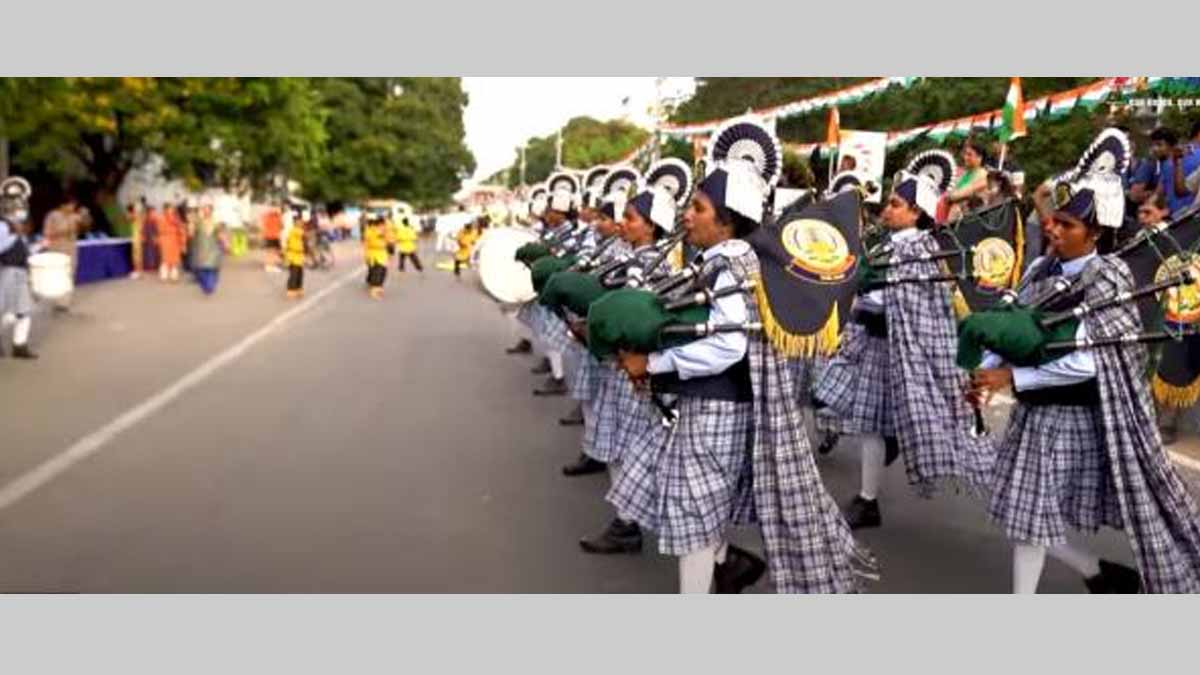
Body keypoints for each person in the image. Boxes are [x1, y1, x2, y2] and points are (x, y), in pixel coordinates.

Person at [969, 185, 1200, 593]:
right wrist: (985, 370)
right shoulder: (1040, 268)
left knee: (1029, 520)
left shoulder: (1109, 277)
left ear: (1095, 234)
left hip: (1070, 415)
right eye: (1054, 220)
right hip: (1032, 412)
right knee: (1028, 516)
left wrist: (1013, 379)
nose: (1053, 228)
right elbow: (1011, 325)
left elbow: (1091, 360)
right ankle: (1097, 572)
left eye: (1067, 224)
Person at [813, 166, 995, 531]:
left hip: (895, 348)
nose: (887, 210)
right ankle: (875, 474)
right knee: (848, 409)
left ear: (916, 212)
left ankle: (868, 500)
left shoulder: (919, 251)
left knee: (869, 425)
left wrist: (859, 290)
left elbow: (902, 303)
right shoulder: (890, 244)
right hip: (871, 342)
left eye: (896, 205)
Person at [0, 177, 38, 359]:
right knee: (5, 312)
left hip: (21, 271)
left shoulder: (19, 227)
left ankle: (19, 345)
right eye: (13, 201)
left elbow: (25, 249)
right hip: (5, 271)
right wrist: (14, 234)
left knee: (24, 310)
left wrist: (39, 246)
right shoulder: (3, 225)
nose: (18, 206)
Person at [42, 195, 88, 311]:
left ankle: (64, 302)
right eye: (71, 205)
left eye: (74, 205)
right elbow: (47, 233)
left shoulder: (74, 216)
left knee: (70, 273)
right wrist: (63, 231)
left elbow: (85, 227)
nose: (73, 207)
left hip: (70, 248)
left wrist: (85, 216)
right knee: (58, 274)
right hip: (57, 248)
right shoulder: (52, 216)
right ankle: (58, 300)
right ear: (63, 205)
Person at [944, 138, 990, 220]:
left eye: (969, 155)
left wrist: (950, 196)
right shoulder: (964, 174)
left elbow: (963, 193)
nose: (965, 157)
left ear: (979, 158)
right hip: (954, 217)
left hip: (970, 219)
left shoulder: (983, 174)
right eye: (965, 154)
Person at [190, 203, 229, 296]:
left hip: (213, 249)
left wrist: (226, 243)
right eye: (204, 209)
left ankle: (210, 286)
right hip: (201, 249)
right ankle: (206, 286)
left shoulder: (216, 222)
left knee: (212, 269)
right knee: (201, 270)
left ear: (211, 211)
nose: (206, 211)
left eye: (208, 209)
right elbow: (191, 234)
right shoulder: (197, 222)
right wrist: (191, 224)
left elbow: (221, 234)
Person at [157, 200, 186, 283]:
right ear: (165, 209)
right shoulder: (161, 218)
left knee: (175, 259)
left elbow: (181, 228)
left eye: (172, 208)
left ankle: (174, 276)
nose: (171, 210)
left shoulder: (176, 218)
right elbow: (160, 230)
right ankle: (164, 275)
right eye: (170, 208)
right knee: (165, 258)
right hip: (165, 239)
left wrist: (182, 241)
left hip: (174, 240)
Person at [363, 215, 390, 299]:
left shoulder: (385, 231)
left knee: (384, 272)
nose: (384, 226)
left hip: (383, 254)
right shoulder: (370, 230)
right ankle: (374, 291)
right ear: (379, 224)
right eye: (383, 224)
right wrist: (379, 234)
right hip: (374, 254)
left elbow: (389, 240)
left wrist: (386, 235)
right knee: (377, 272)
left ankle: (379, 287)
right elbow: (368, 241)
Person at [284, 211, 307, 300]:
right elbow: (301, 234)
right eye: (299, 221)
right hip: (293, 256)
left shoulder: (300, 230)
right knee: (294, 274)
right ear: (295, 222)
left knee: (300, 274)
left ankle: (299, 289)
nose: (301, 223)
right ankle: (291, 290)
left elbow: (304, 242)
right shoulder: (294, 230)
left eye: (301, 221)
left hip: (299, 256)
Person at [260, 206, 284, 272]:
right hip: (274, 236)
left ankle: (269, 266)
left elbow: (262, 224)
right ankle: (271, 266)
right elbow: (281, 225)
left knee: (270, 252)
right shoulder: (278, 215)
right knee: (273, 252)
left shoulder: (266, 215)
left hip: (268, 235)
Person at [126, 202, 144, 280]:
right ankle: (139, 272)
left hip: (136, 236)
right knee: (138, 255)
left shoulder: (134, 215)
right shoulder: (139, 215)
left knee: (136, 255)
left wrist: (130, 211)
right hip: (138, 236)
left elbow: (128, 218)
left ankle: (137, 272)